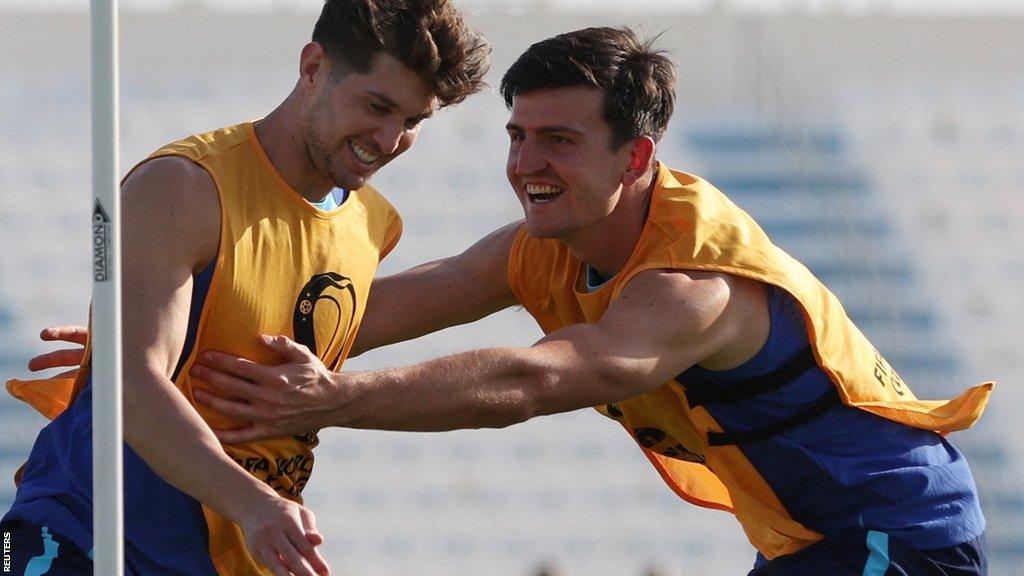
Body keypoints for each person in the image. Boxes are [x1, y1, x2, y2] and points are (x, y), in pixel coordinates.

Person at [27, 27, 992, 576]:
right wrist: (172, 334)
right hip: (814, 541)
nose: (526, 164)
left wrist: (339, 402)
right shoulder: (550, 244)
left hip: (894, 532)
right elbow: (401, 300)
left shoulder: (693, 282)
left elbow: (541, 380)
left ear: (638, 157)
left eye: (559, 141)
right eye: (518, 134)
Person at [1, 1, 489, 575]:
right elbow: (129, 385)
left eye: (412, 122)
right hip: (84, 539)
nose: (388, 140)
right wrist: (256, 505)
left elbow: (474, 278)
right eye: (377, 106)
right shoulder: (183, 187)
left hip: (228, 558)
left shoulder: (369, 224)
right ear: (312, 67)